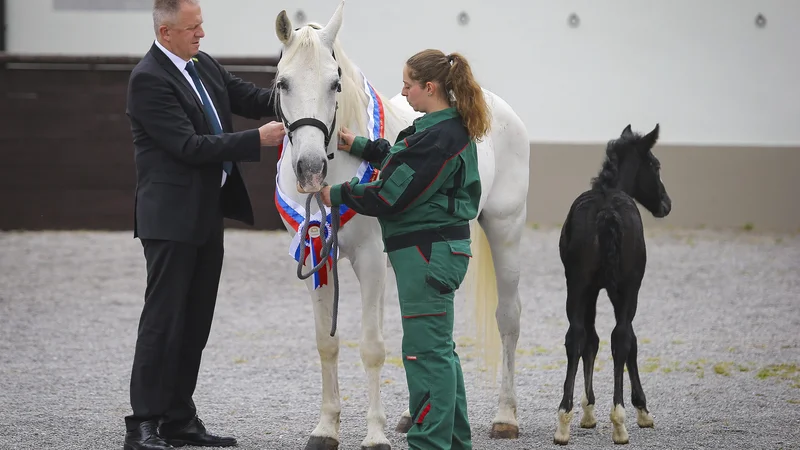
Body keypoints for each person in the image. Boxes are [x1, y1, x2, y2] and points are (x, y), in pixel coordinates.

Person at [123, 0, 285, 449]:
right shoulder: (148, 80)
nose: (201, 34)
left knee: (195, 322)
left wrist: (301, 88)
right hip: (170, 219)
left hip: (205, 213)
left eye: (201, 26)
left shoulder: (202, 64)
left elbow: (252, 98)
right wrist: (256, 140)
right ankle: (143, 424)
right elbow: (188, 146)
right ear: (165, 32)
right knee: (163, 321)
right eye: (193, 28)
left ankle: (179, 418)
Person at [319, 49, 491, 450]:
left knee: (424, 354)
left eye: (408, 84)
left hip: (426, 254)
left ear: (429, 88)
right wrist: (359, 145)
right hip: (436, 251)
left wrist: (335, 193)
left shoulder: (438, 135)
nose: (403, 91)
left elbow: (389, 195)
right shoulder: (441, 129)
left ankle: (429, 444)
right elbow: (406, 161)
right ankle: (454, 440)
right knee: (440, 351)